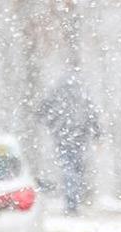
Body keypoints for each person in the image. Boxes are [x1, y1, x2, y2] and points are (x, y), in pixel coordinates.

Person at [38, 74, 101, 215]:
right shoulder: (82, 93)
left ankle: (71, 201)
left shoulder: (58, 92)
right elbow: (92, 114)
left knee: (68, 168)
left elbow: (42, 110)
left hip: (62, 136)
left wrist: (51, 124)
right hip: (80, 136)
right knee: (77, 168)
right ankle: (73, 200)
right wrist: (97, 134)